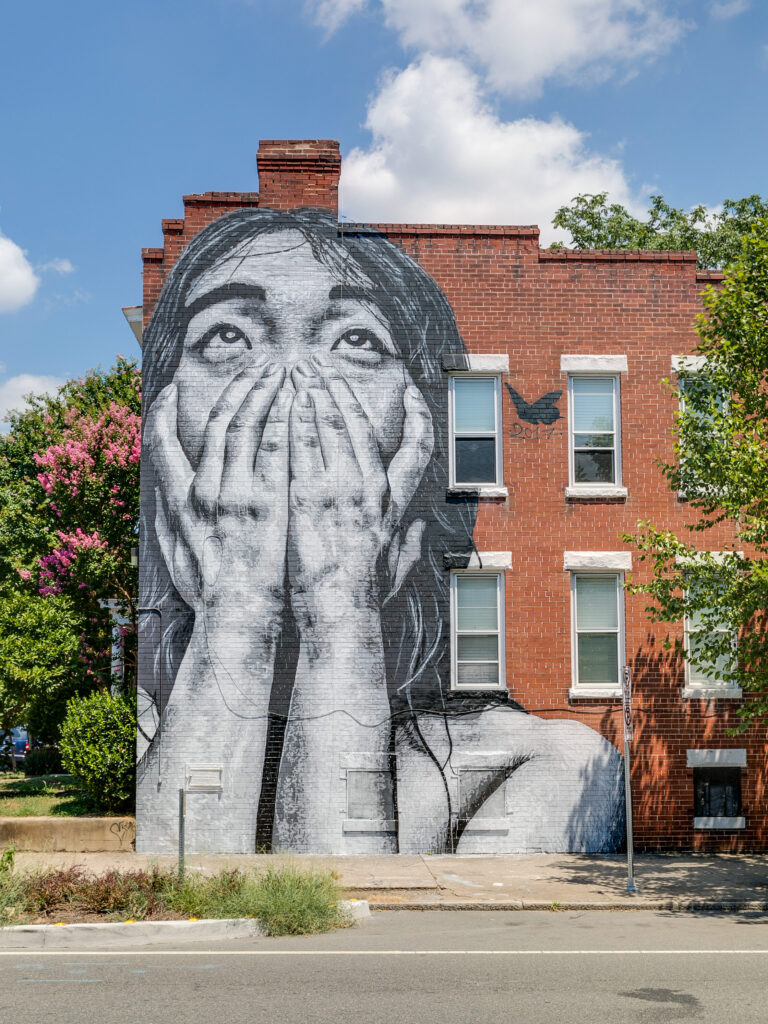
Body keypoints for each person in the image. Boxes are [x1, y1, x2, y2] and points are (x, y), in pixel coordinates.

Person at [136, 208, 624, 855]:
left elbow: (348, 939)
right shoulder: (127, 739)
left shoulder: (552, 765)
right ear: (163, 430)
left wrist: (342, 612)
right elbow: (172, 898)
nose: (289, 389)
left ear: (421, 443)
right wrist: (236, 615)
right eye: (226, 336)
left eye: (356, 341)